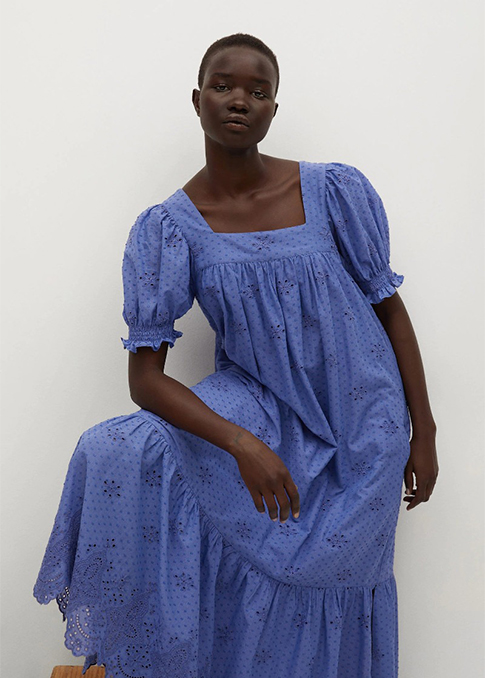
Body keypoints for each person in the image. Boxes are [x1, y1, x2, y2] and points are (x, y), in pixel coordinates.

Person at [33, 32, 439, 678]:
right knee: (114, 448)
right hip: (257, 403)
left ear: (274, 107)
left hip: (362, 420)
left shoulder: (332, 191)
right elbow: (145, 380)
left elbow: (389, 310)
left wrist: (424, 432)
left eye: (258, 90)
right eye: (223, 86)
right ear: (197, 100)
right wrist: (239, 443)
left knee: (333, 584)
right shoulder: (170, 227)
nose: (240, 100)